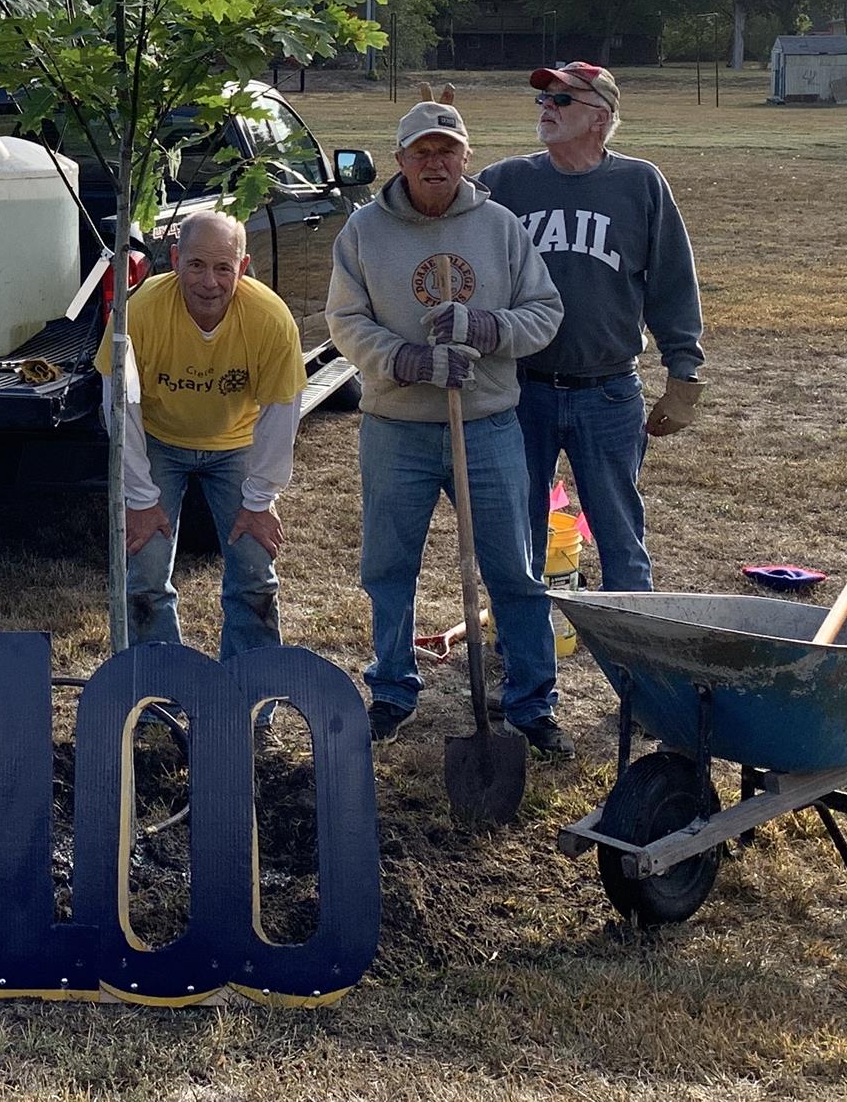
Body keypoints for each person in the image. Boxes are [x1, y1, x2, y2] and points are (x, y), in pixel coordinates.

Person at [326, 94, 571, 754]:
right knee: (388, 566)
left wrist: (490, 328)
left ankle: (531, 702)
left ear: (466, 158)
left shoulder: (498, 228)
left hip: (487, 426)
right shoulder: (362, 232)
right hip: (395, 427)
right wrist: (402, 357)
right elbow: (344, 321)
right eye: (421, 153)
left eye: (446, 152)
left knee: (512, 570)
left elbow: (544, 313)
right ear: (400, 160)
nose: (434, 163)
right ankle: (392, 690)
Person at [480, 62, 705, 596]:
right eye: (543, 100)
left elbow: (671, 281)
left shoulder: (638, 183)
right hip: (521, 390)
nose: (546, 109)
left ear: (600, 118)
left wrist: (685, 371)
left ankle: (634, 640)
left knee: (619, 532)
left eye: (562, 101)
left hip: (607, 392)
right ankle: (525, 650)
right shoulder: (505, 182)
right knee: (518, 533)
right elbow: (441, 220)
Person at [97, 210, 305, 664]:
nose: (209, 282)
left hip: (236, 443)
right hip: (158, 442)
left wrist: (258, 502)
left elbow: (279, 416)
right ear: (174, 260)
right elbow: (120, 411)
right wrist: (141, 497)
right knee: (146, 572)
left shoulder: (270, 321)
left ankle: (251, 692)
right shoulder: (139, 314)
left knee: (254, 570)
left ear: (243, 267)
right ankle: (158, 693)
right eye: (195, 265)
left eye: (223, 268)